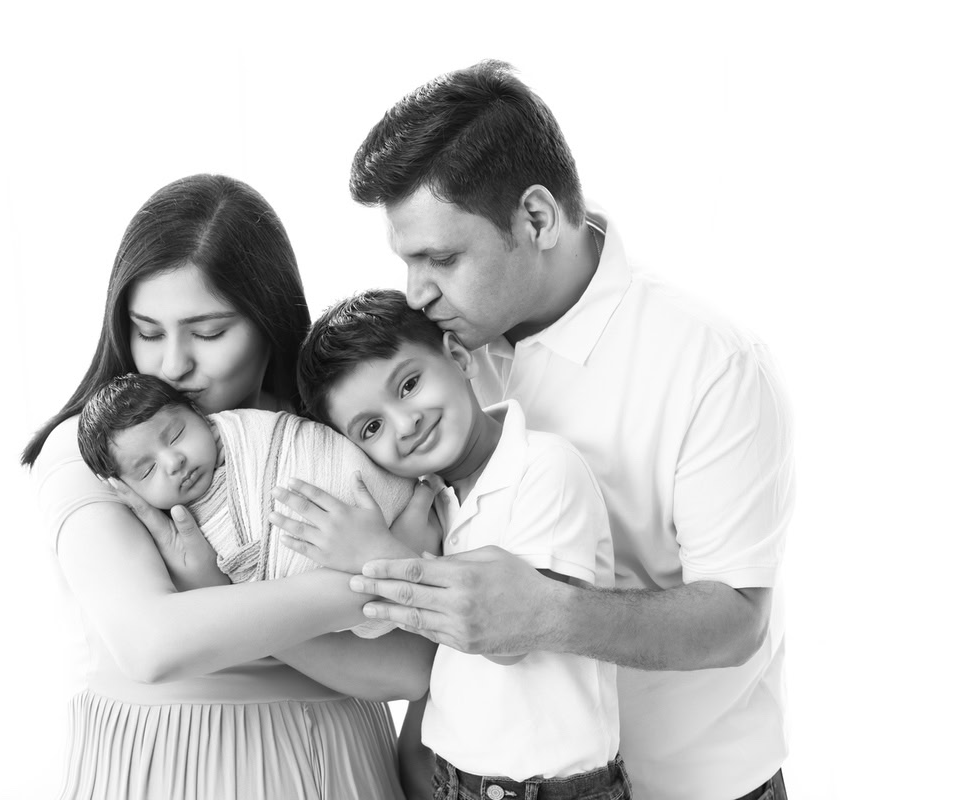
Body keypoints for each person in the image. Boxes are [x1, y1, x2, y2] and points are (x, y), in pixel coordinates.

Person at [339, 62, 795, 800]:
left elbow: (737, 619)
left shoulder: (711, 362)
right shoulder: (433, 364)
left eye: (442, 258)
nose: (418, 290)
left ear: (538, 218)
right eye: (407, 260)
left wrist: (552, 615)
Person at [20, 174, 434, 800]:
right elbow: (150, 642)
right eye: (148, 331)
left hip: (346, 769)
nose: (171, 364)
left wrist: (216, 597)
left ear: (268, 323)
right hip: (170, 767)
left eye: (208, 333)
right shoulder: (98, 451)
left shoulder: (331, 439)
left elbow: (408, 667)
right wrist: (382, 576)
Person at [272, 288, 630, 799]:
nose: (406, 422)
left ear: (458, 356)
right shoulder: (427, 506)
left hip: (558, 789)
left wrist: (374, 553)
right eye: (371, 427)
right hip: (454, 780)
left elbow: (512, 636)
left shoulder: (543, 468)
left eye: (409, 384)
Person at [75, 372, 428, 637]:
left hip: (396, 514)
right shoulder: (178, 532)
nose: (174, 462)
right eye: (148, 469)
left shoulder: (251, 435)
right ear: (128, 490)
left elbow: (321, 455)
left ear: (200, 417)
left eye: (177, 435)